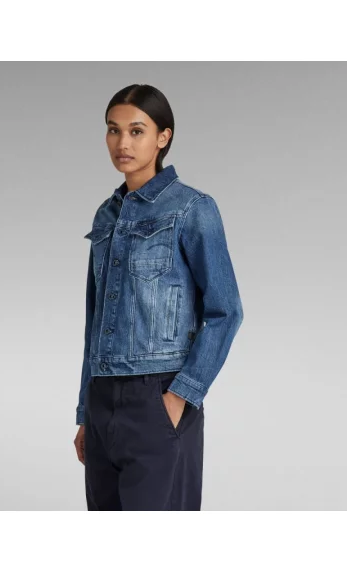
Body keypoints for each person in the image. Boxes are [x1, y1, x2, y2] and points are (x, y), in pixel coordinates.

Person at [73, 83, 244, 510]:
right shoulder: (106, 214)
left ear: (163, 137)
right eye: (113, 130)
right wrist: (84, 412)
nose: (122, 143)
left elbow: (226, 310)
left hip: (158, 396)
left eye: (137, 131)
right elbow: (95, 320)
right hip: (102, 402)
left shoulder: (192, 208)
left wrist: (180, 395)